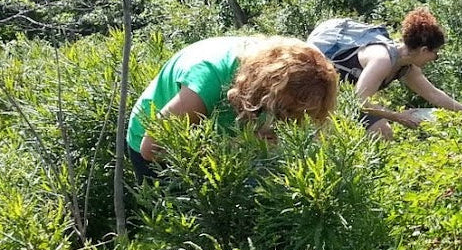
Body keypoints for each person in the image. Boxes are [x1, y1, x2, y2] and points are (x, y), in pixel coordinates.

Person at [127, 36, 339, 183]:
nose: (287, 118)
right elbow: (152, 148)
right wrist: (237, 147)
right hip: (151, 144)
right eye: (285, 109)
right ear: (267, 86)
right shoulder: (208, 79)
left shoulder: (288, 68)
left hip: (221, 132)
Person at [308, 7, 462, 140]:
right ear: (423, 50)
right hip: (321, 88)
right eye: (435, 54)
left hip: (342, 96)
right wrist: (398, 117)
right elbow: (359, 101)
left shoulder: (407, 67)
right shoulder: (382, 59)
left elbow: (434, 94)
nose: (435, 58)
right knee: (328, 137)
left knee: (382, 133)